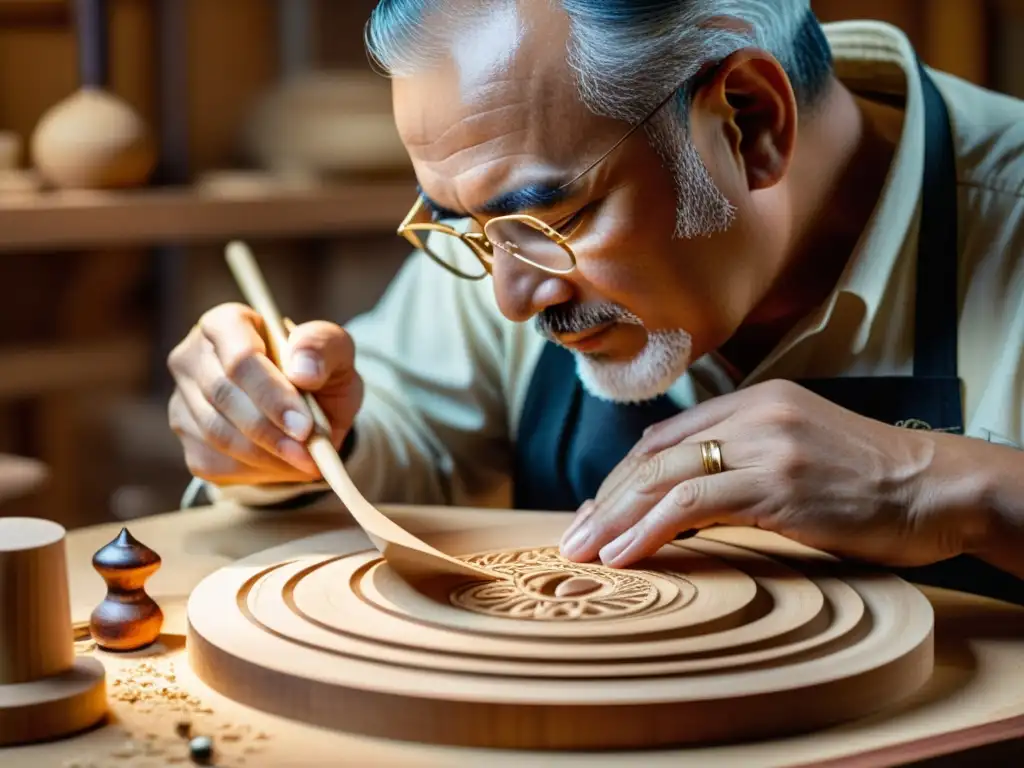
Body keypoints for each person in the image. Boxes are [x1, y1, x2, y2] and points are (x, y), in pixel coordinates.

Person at [168, 0, 1024, 601]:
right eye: (461, 223)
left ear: (751, 123)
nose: (510, 297)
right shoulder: (509, 204)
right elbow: (395, 447)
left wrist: (942, 486)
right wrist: (277, 437)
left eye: (553, 217)